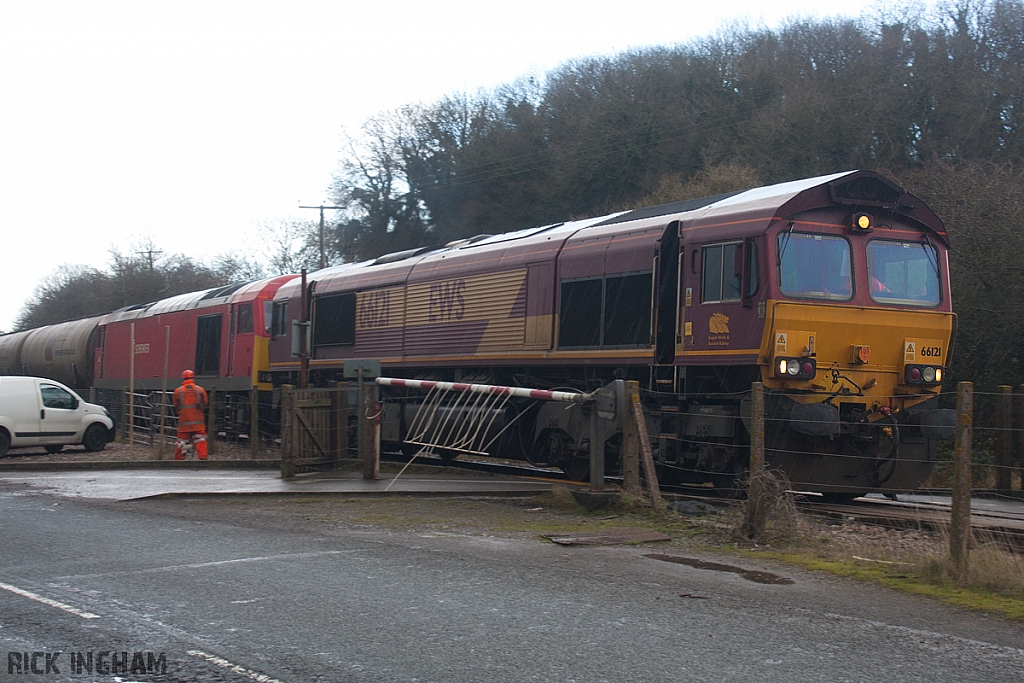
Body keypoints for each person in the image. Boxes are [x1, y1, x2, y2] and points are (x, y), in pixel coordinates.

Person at [172, 369, 209, 460]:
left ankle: (179, 460)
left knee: (182, 442)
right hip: (198, 423)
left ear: (183, 378)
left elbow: (176, 405)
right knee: (200, 440)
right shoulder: (200, 389)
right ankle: (203, 458)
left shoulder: (178, 391)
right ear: (193, 378)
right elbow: (205, 402)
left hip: (184, 423)